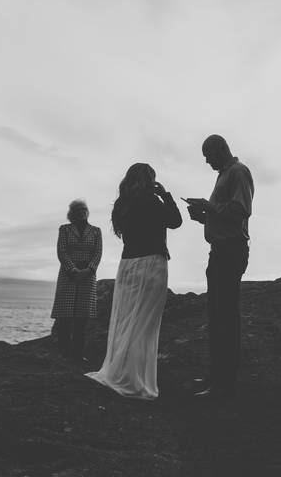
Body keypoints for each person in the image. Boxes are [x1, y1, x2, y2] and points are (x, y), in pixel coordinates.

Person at [86, 163, 182, 400]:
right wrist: (165, 195)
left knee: (126, 320)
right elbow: (176, 221)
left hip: (128, 266)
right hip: (151, 264)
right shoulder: (152, 201)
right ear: (150, 180)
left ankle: (118, 370)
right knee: (145, 324)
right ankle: (134, 379)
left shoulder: (122, 205)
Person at [184, 134, 254, 400]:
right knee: (216, 315)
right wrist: (204, 216)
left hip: (231, 251)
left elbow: (240, 211)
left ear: (220, 149)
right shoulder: (225, 174)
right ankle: (217, 375)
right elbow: (224, 217)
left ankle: (224, 383)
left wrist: (209, 207)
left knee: (225, 316)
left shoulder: (238, 172)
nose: (206, 160)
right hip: (220, 250)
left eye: (208, 154)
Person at [51, 199, 102, 362]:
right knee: (65, 318)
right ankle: (63, 353)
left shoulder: (96, 231)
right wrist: (72, 270)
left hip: (88, 276)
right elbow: (62, 251)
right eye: (78, 209)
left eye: (84, 209)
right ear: (72, 213)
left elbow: (98, 252)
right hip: (68, 275)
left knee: (82, 318)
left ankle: (78, 355)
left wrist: (89, 269)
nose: (81, 211)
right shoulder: (64, 229)